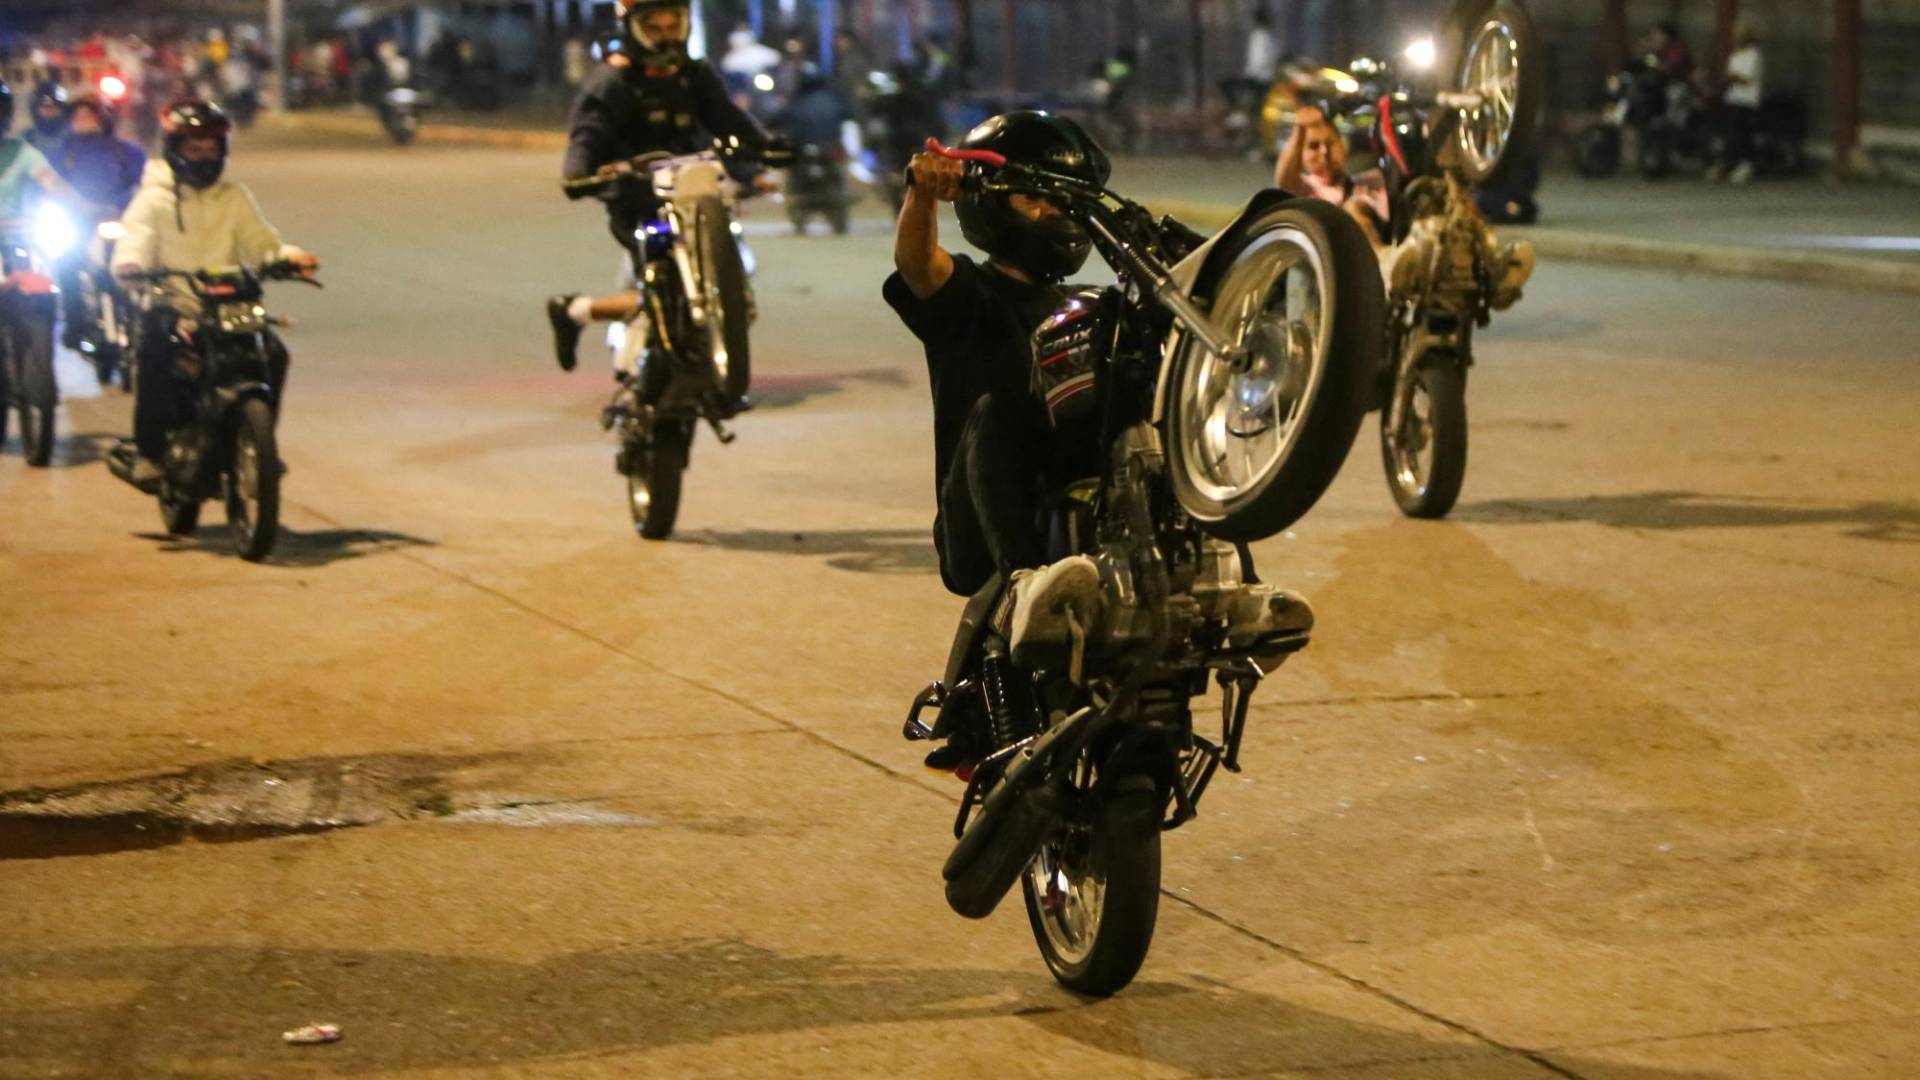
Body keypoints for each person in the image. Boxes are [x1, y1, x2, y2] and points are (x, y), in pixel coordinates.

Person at [883, 111, 1112, 716]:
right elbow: (918, 265)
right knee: (1002, 410)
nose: (1052, 212)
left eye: (1061, 198)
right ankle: (1025, 587)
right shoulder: (972, 296)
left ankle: (1229, 583)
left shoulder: (1088, 309)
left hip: (1080, 508)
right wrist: (923, 192)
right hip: (985, 525)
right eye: (1033, 198)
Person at [546, 0, 772, 374]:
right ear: (632, 28)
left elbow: (729, 124)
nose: (667, 38)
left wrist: (765, 153)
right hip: (639, 204)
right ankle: (579, 313)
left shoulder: (694, 76)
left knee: (733, 272)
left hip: (699, 198)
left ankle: (583, 311)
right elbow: (586, 138)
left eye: (673, 26)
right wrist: (579, 173)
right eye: (656, 28)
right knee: (664, 284)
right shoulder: (611, 83)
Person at [111, 100, 318, 486]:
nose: (204, 157)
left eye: (211, 148)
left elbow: (262, 243)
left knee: (273, 354)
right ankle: (151, 452)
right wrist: (131, 265)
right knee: (156, 352)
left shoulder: (234, 198)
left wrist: (290, 258)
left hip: (227, 307)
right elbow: (135, 238)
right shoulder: (153, 199)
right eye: (194, 149)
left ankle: (255, 443)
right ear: (175, 150)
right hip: (173, 303)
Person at [51, 94, 147, 350]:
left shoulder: (125, 151)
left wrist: (119, 204)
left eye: (89, 116)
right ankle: (75, 325)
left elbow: (144, 183)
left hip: (117, 220)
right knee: (68, 265)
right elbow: (49, 186)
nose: (83, 121)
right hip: (78, 223)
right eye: (78, 116)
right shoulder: (62, 154)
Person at [1275, 105, 1388, 247]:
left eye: (1330, 144)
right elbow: (1284, 179)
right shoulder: (1305, 188)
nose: (1324, 152)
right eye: (1314, 146)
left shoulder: (1366, 183)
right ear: (1300, 154)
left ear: (1342, 146)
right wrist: (1299, 129)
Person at [1716, 20, 1763, 184]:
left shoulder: (1753, 54)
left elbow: (1745, 78)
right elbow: (1729, 74)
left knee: (1741, 132)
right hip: (1734, 97)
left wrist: (1732, 76)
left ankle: (1744, 163)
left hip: (1748, 99)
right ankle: (1730, 161)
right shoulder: (1736, 54)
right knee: (1733, 131)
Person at [24, 82, 72, 157]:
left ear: (62, 109)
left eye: (54, 105)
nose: (49, 110)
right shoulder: (28, 137)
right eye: (44, 106)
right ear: (36, 109)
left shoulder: (74, 134)